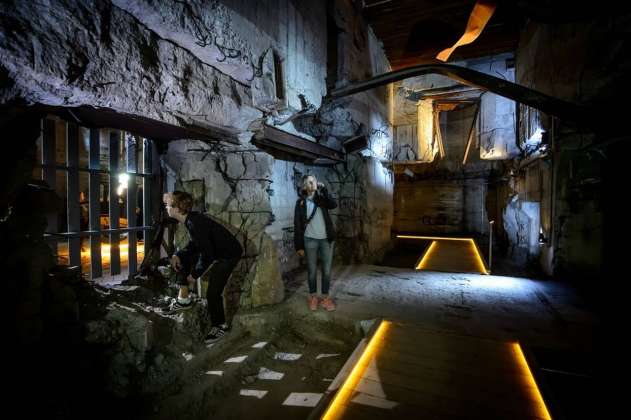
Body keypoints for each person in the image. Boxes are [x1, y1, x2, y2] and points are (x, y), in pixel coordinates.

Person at [162, 191, 243, 343]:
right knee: (183, 257)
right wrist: (178, 254)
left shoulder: (194, 222)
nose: (166, 206)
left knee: (213, 293)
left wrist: (194, 275)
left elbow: (207, 255)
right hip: (218, 251)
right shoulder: (191, 220)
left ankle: (220, 327)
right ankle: (184, 300)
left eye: (168, 204)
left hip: (228, 255)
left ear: (177, 209)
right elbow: (195, 244)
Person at [294, 175, 337, 311]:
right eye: (310, 182)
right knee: (312, 271)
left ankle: (325, 298)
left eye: (314, 180)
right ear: (305, 186)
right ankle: (313, 297)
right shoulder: (300, 202)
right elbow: (297, 225)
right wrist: (299, 246)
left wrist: (324, 190)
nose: (314, 183)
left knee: (326, 270)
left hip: (326, 240)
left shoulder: (321, 198)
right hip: (309, 240)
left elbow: (333, 205)